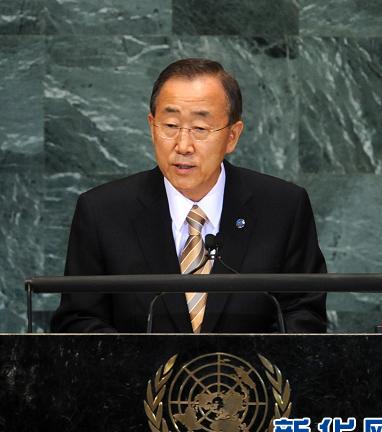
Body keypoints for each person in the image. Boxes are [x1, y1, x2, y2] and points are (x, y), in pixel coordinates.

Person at [51, 58, 327, 333]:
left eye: (200, 129)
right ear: (152, 127)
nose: (183, 146)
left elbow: (304, 316)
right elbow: (78, 321)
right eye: (171, 126)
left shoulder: (283, 208)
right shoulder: (102, 212)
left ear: (232, 136)